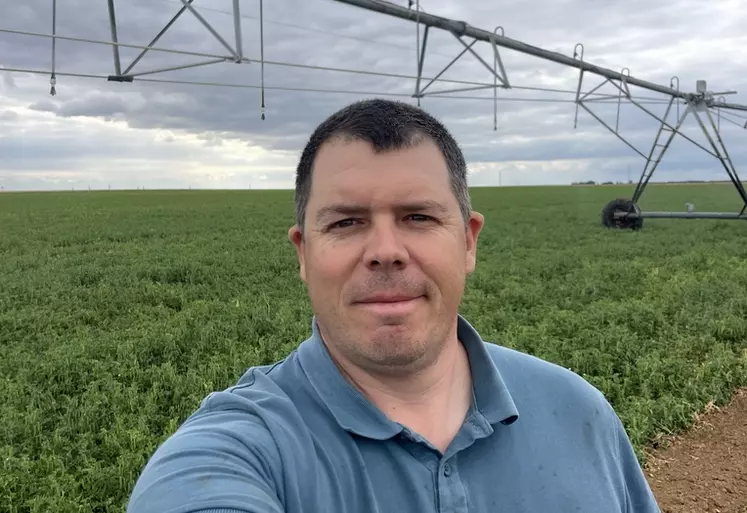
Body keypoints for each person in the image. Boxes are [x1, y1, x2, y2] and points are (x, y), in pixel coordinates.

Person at [126, 98, 661, 512]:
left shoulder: (577, 411)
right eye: (346, 222)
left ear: (469, 241)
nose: (385, 252)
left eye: (418, 217)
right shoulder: (242, 450)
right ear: (304, 253)